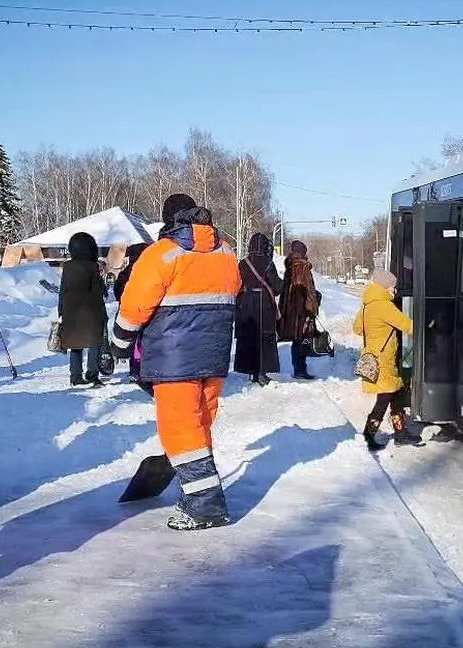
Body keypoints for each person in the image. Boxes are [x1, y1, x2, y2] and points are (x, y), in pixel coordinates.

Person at [112, 193, 241, 531]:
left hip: (174, 360)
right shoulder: (226, 252)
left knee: (181, 431)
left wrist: (119, 342)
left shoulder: (163, 253)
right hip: (213, 356)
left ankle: (205, 506)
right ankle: (195, 494)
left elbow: (135, 306)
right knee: (199, 426)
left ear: (169, 219)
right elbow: (232, 292)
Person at [354, 270, 419, 450]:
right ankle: (369, 435)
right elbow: (407, 326)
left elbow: (357, 329)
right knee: (384, 399)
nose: (394, 289)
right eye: (392, 286)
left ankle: (400, 433)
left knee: (396, 393)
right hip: (383, 361)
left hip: (372, 357)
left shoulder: (367, 305)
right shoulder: (384, 306)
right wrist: (428, 325)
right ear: (384, 286)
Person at [59, 231, 109, 388]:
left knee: (75, 345)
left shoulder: (67, 267)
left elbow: (63, 290)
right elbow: (100, 291)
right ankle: (92, 374)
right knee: (93, 343)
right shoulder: (93, 267)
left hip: (71, 310)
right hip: (91, 310)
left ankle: (75, 376)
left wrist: (60, 310)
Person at [234, 232, 283, 386]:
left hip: (246, 303)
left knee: (248, 336)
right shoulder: (268, 263)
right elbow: (276, 287)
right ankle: (261, 372)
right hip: (264, 304)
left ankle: (250, 370)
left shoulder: (243, 263)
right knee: (264, 338)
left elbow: (237, 284)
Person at [278, 239, 320, 380]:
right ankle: (300, 370)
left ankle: (298, 369)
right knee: (301, 339)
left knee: (297, 339)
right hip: (302, 309)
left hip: (290, 309)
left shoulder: (289, 267)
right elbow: (310, 291)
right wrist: (313, 309)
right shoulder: (303, 267)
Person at [113, 242, 149, 384]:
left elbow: (117, 290)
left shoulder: (126, 273)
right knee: (142, 341)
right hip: (147, 309)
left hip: (128, 310)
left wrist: (123, 301)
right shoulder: (148, 270)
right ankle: (141, 368)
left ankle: (134, 369)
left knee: (132, 341)